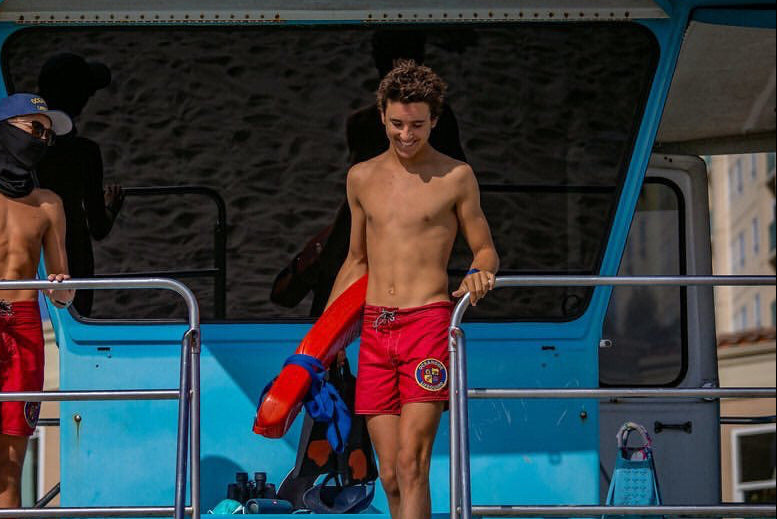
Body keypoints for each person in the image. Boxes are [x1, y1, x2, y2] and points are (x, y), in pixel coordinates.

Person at [325, 61, 499, 519]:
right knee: (387, 475)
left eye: (417, 125)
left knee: (412, 463)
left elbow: (485, 250)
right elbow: (356, 260)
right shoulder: (360, 178)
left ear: (434, 121)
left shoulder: (456, 176)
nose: (406, 135)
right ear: (382, 116)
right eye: (397, 124)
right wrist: (327, 335)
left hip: (427, 323)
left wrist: (480, 272)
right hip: (375, 327)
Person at [271, 29, 466, 317]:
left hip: (380, 228)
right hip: (414, 229)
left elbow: (357, 199)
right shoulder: (435, 120)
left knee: (336, 291)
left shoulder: (364, 122)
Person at [0, 93, 75, 508]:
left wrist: (61, 289)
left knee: (11, 461)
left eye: (47, 134)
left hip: (27, 321)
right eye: (35, 128)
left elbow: (61, 287)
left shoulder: (49, 204)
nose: (42, 139)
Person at [36, 53, 123, 317]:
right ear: (82, 99)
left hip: (31, 251)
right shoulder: (85, 153)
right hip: (73, 252)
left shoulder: (22, 151)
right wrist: (112, 208)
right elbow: (98, 227)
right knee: (77, 317)